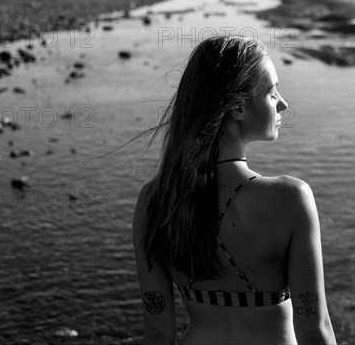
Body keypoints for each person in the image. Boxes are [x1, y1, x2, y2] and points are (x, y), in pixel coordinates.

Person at [132, 36, 337, 344]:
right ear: (239, 108)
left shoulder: (155, 200)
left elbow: (159, 331)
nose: (283, 103)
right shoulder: (290, 199)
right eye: (271, 93)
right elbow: (313, 328)